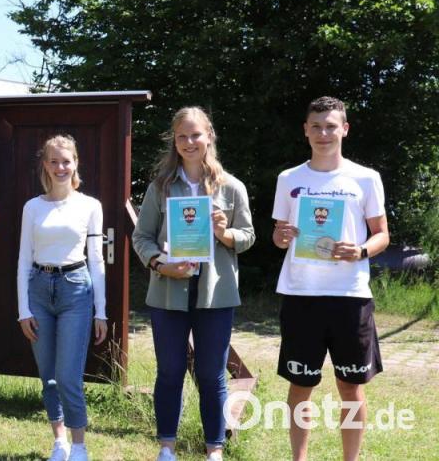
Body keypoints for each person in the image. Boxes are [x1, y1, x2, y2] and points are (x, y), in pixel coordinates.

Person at [131, 107, 255, 461]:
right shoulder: (160, 188)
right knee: (169, 371)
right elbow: (142, 238)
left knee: (211, 373)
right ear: (175, 140)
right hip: (168, 292)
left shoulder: (231, 188)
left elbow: (247, 236)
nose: (189, 142)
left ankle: (214, 449)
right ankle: (166, 447)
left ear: (209, 136)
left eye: (195, 135)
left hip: (215, 296)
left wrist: (223, 233)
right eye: (182, 136)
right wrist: (159, 264)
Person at [271, 96, 389, 461]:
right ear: (306, 130)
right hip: (300, 295)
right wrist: (283, 236)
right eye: (317, 126)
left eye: (331, 126)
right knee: (300, 385)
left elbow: (382, 234)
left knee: (351, 388)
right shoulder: (289, 179)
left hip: (350, 296)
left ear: (345, 129)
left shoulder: (366, 178)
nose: (324, 133)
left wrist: (360, 251)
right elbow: (278, 236)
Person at [16, 135, 108, 461]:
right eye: (53, 161)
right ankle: (59, 441)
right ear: (45, 165)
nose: (60, 167)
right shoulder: (32, 207)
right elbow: (24, 259)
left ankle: (79, 444)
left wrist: (102, 312)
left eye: (66, 161)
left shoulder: (90, 206)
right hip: (39, 290)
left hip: (76, 289)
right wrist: (23, 309)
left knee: (69, 376)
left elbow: (97, 259)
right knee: (48, 375)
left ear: (76, 163)